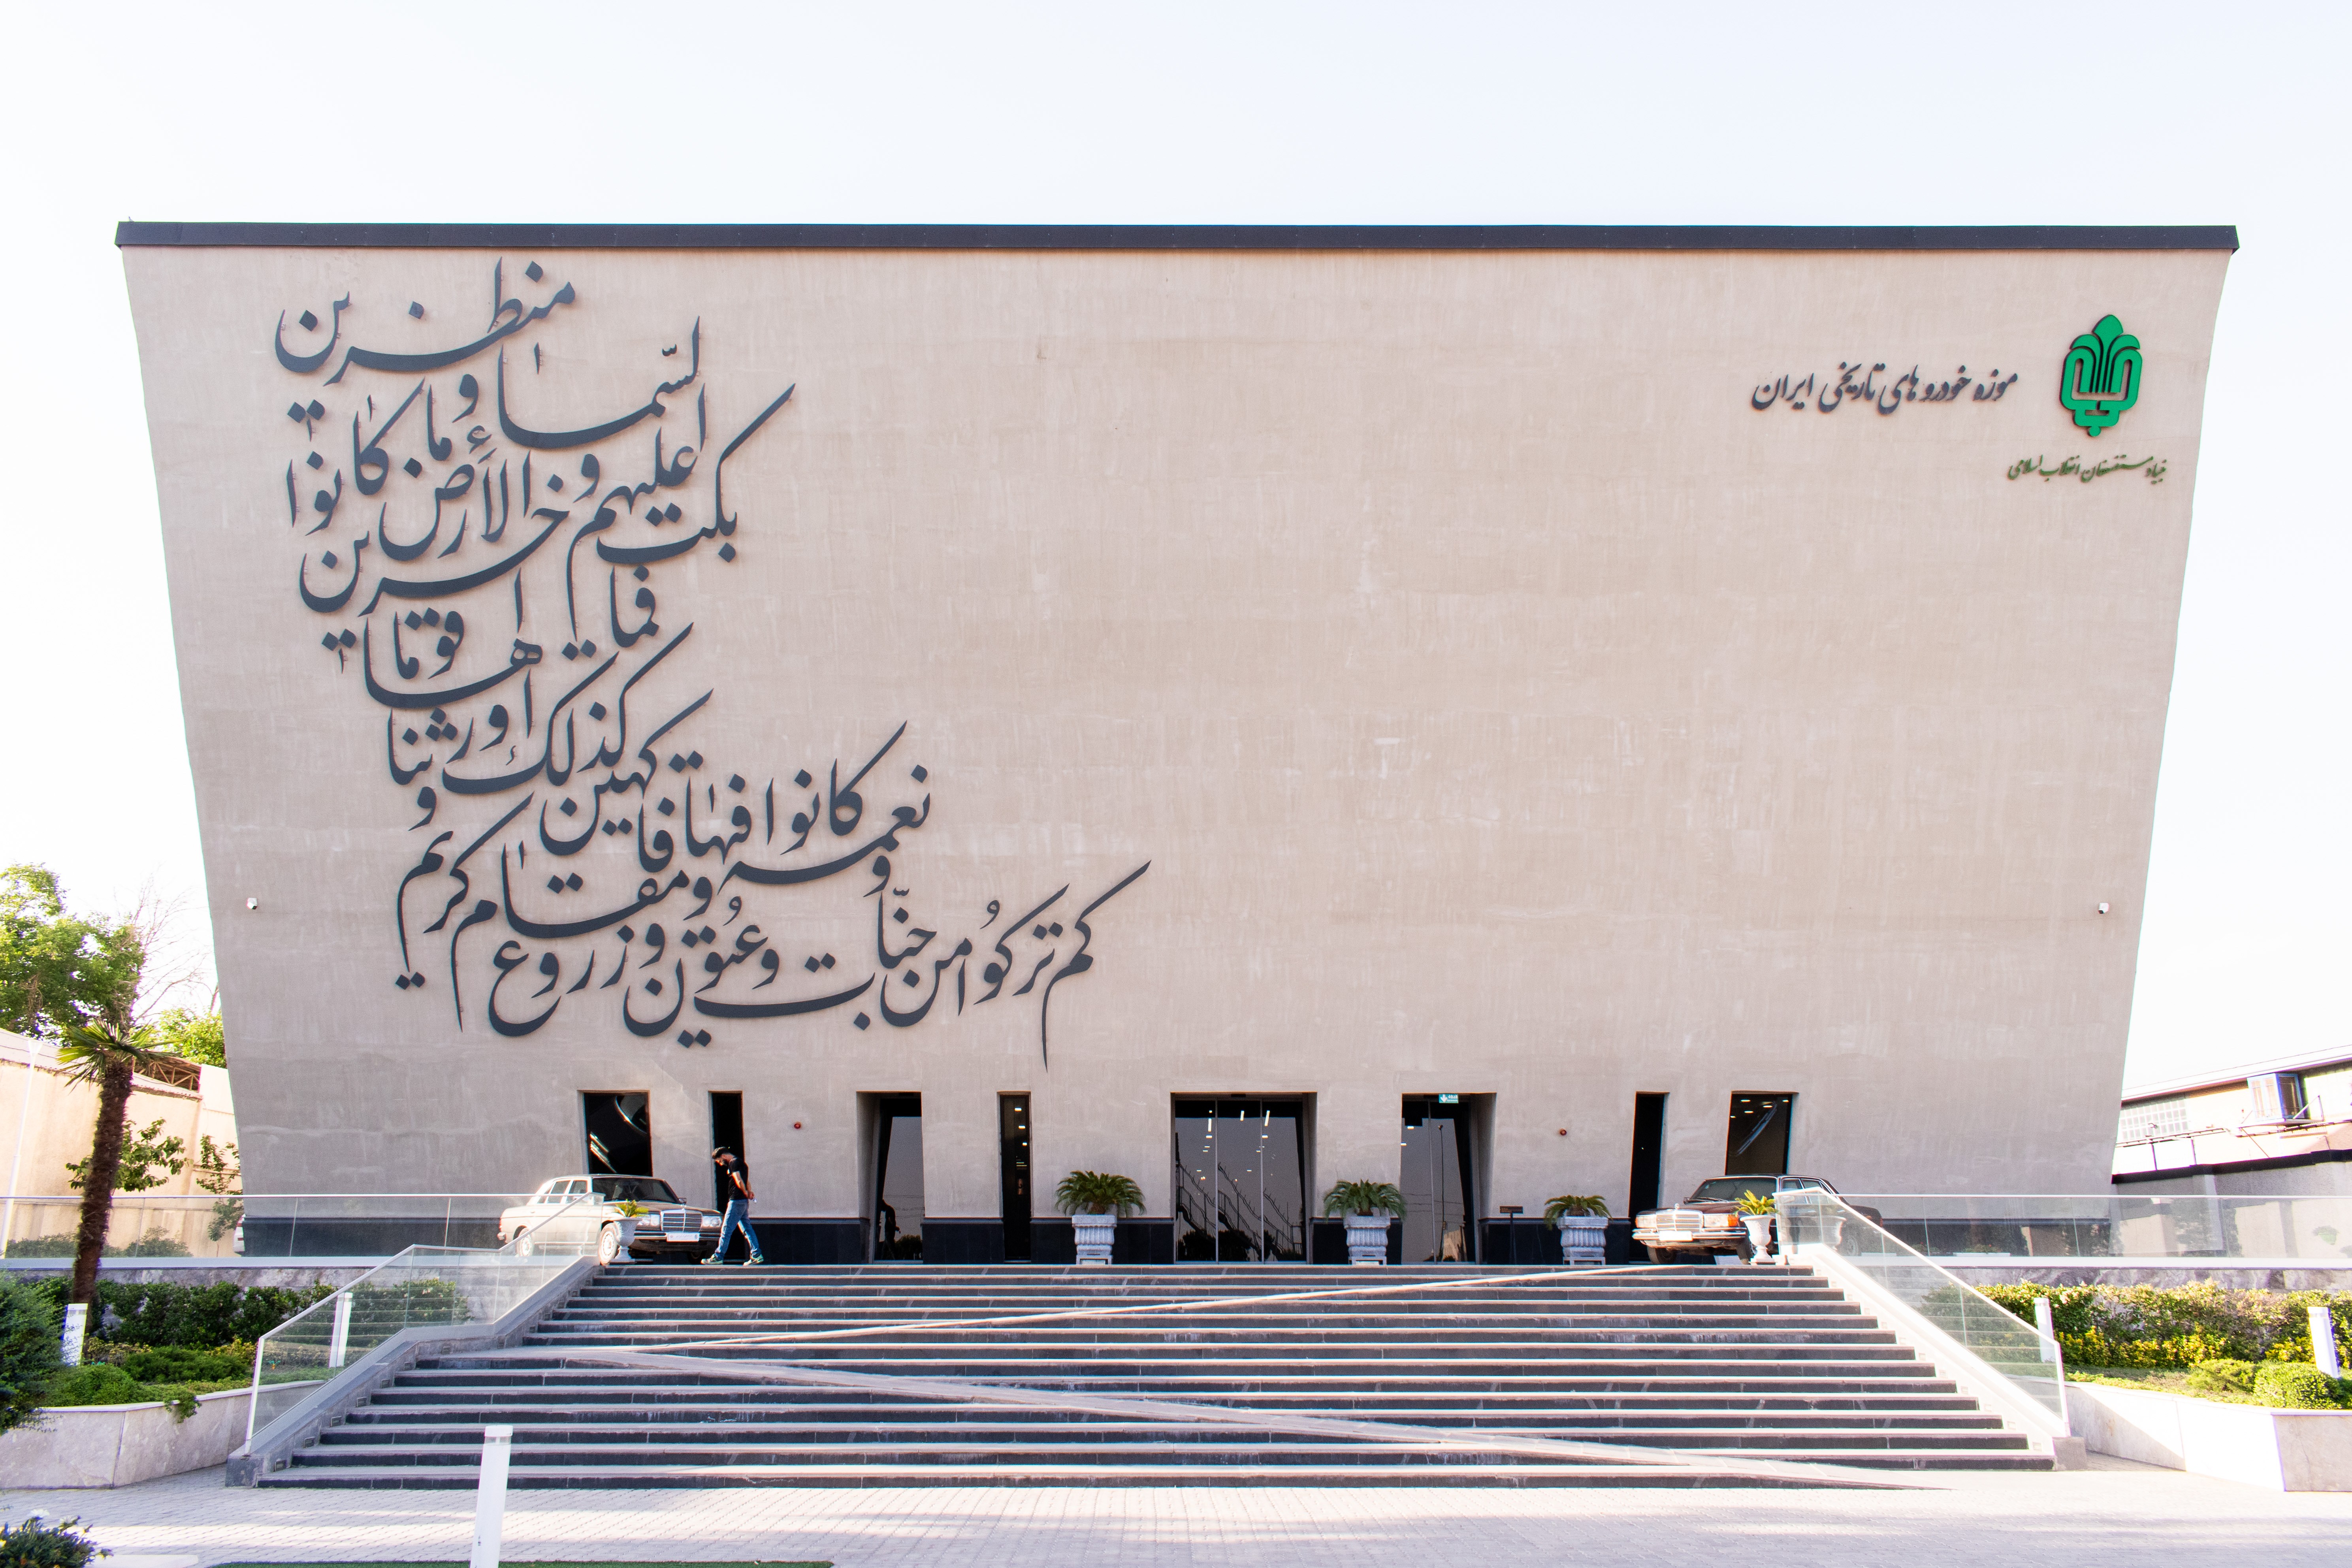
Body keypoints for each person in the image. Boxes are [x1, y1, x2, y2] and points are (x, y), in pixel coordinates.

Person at [706, 1147, 764, 1265]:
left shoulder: (733, 1163)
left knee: (726, 1230)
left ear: (723, 1156)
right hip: (743, 1202)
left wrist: (746, 1192)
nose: (720, 1163)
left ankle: (718, 1257)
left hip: (736, 1201)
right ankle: (756, 1255)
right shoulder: (742, 1163)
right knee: (747, 1229)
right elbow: (746, 1181)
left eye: (718, 1160)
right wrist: (749, 1192)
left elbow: (739, 1180)